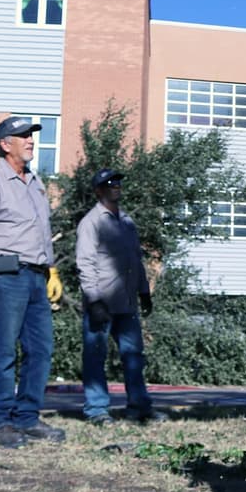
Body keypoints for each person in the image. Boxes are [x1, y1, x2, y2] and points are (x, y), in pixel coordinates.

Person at [0, 116, 65, 449]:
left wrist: (51, 271)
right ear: (6, 144)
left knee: (40, 350)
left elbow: (41, 232)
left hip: (37, 276)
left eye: (31, 135)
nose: (31, 140)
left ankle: (27, 418)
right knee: (3, 350)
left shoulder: (34, 181)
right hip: (7, 277)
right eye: (23, 136)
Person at [76, 168, 164, 425]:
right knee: (95, 356)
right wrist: (93, 300)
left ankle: (139, 406)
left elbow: (136, 259)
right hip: (102, 302)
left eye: (118, 182)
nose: (116, 186)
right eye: (109, 183)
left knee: (134, 355)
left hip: (126, 302)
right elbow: (85, 263)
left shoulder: (126, 221)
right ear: (98, 190)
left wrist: (144, 291)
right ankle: (96, 410)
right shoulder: (91, 222)